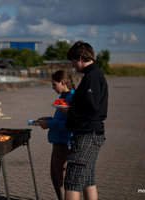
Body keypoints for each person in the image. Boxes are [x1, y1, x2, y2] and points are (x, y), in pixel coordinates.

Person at [62, 41, 108, 200]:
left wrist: (70, 111)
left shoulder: (92, 76)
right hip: (93, 134)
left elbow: (91, 107)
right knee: (88, 179)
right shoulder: (95, 74)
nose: (73, 65)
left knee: (72, 181)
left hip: (86, 135)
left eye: (73, 61)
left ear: (81, 58)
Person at [37, 70, 75, 200]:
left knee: (58, 177)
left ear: (63, 82)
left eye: (54, 84)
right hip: (60, 141)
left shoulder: (70, 98)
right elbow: (60, 119)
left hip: (63, 143)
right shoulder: (64, 97)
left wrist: (49, 124)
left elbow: (68, 124)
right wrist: (47, 119)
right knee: (58, 176)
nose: (53, 88)